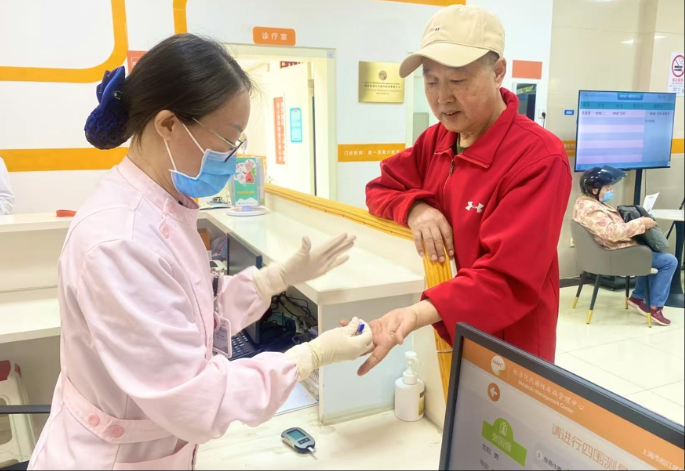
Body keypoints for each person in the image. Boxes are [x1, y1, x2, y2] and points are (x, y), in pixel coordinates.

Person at [29, 34, 372, 470]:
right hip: (113, 457)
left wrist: (274, 279)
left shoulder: (166, 207)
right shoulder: (120, 241)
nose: (231, 158)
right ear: (168, 124)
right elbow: (194, 398)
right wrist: (308, 358)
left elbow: (193, 309)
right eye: (228, 140)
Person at [355, 4, 572, 375]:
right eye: (431, 82)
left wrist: (415, 314)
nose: (442, 98)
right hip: (446, 328)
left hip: (509, 344)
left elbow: (507, 278)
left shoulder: (538, 157)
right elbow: (380, 188)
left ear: (498, 72)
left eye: (457, 80)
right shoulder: (437, 140)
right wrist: (416, 209)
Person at [573, 166, 676, 326]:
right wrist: (641, 222)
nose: (611, 190)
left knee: (649, 254)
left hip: (611, 252)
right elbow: (611, 233)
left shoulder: (585, 203)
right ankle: (654, 307)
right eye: (607, 187)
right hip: (616, 254)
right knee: (669, 262)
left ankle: (637, 297)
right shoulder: (592, 209)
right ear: (595, 190)